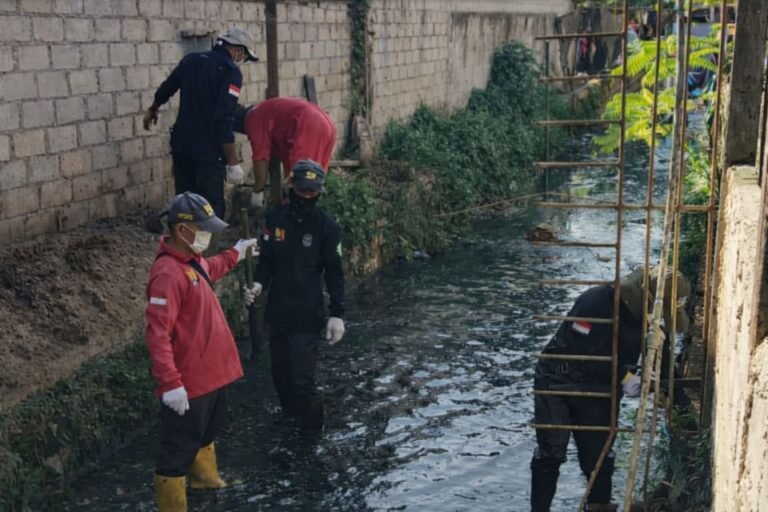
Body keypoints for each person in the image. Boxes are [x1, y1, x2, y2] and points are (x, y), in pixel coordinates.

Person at [530, 266, 691, 511]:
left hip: (603, 385)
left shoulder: (650, 318)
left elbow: (664, 361)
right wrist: (626, 378)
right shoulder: (595, 302)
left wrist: (685, 410)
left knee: (600, 457)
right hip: (558, 380)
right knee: (551, 453)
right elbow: (579, 352)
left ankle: (598, 508)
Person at [145, 191, 258, 512]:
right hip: (190, 382)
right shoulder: (167, 273)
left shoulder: (190, 263)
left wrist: (236, 253)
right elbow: (157, 333)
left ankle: (206, 483)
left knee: (206, 434)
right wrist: (170, 383)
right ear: (182, 231)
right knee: (177, 450)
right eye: (203, 228)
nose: (209, 234)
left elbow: (211, 266)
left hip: (213, 376)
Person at [243, 160, 345, 430]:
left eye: (312, 193)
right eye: (302, 191)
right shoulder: (276, 219)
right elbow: (267, 262)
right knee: (281, 376)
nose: (306, 197)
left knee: (303, 381)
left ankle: (312, 434)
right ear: (291, 187)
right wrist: (258, 284)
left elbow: (335, 272)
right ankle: (290, 423)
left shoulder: (327, 228)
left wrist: (337, 314)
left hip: (307, 314)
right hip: (278, 312)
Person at [143, 27, 258, 219]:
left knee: (185, 203)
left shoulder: (191, 60)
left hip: (182, 145)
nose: (240, 60)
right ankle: (209, 248)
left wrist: (153, 109)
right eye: (243, 56)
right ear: (238, 50)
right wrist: (233, 161)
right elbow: (224, 117)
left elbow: (167, 88)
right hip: (209, 152)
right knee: (210, 209)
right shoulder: (231, 72)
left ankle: (182, 245)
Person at [233, 97, 337, 206]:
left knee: (303, 182)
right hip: (324, 123)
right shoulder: (264, 110)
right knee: (312, 179)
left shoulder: (253, 119)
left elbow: (260, 158)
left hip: (310, 125)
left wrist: (257, 191)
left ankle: (298, 218)